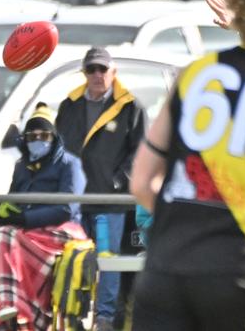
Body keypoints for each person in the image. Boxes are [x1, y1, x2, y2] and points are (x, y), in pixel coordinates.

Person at [129, 0, 245, 329]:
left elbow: (141, 182)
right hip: (238, 273)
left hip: (165, 270)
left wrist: (191, 217)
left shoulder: (195, 74)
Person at [55, 47, 146, 331]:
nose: (97, 75)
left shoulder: (131, 106)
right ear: (84, 73)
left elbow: (141, 152)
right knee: (73, 258)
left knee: (107, 262)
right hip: (75, 203)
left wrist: (118, 180)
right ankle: (72, 315)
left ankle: (104, 319)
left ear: (113, 72)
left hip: (109, 203)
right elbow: (57, 148)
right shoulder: (69, 105)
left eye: (102, 69)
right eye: (91, 69)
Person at [0, 103, 87, 330]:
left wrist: (24, 219)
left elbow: (67, 208)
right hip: (26, 233)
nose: (38, 140)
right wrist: (3, 212)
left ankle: (12, 307)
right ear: (25, 139)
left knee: (4, 237)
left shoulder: (69, 164)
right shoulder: (21, 166)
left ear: (54, 137)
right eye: (32, 136)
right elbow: (13, 199)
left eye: (44, 135)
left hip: (62, 230)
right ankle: (11, 320)